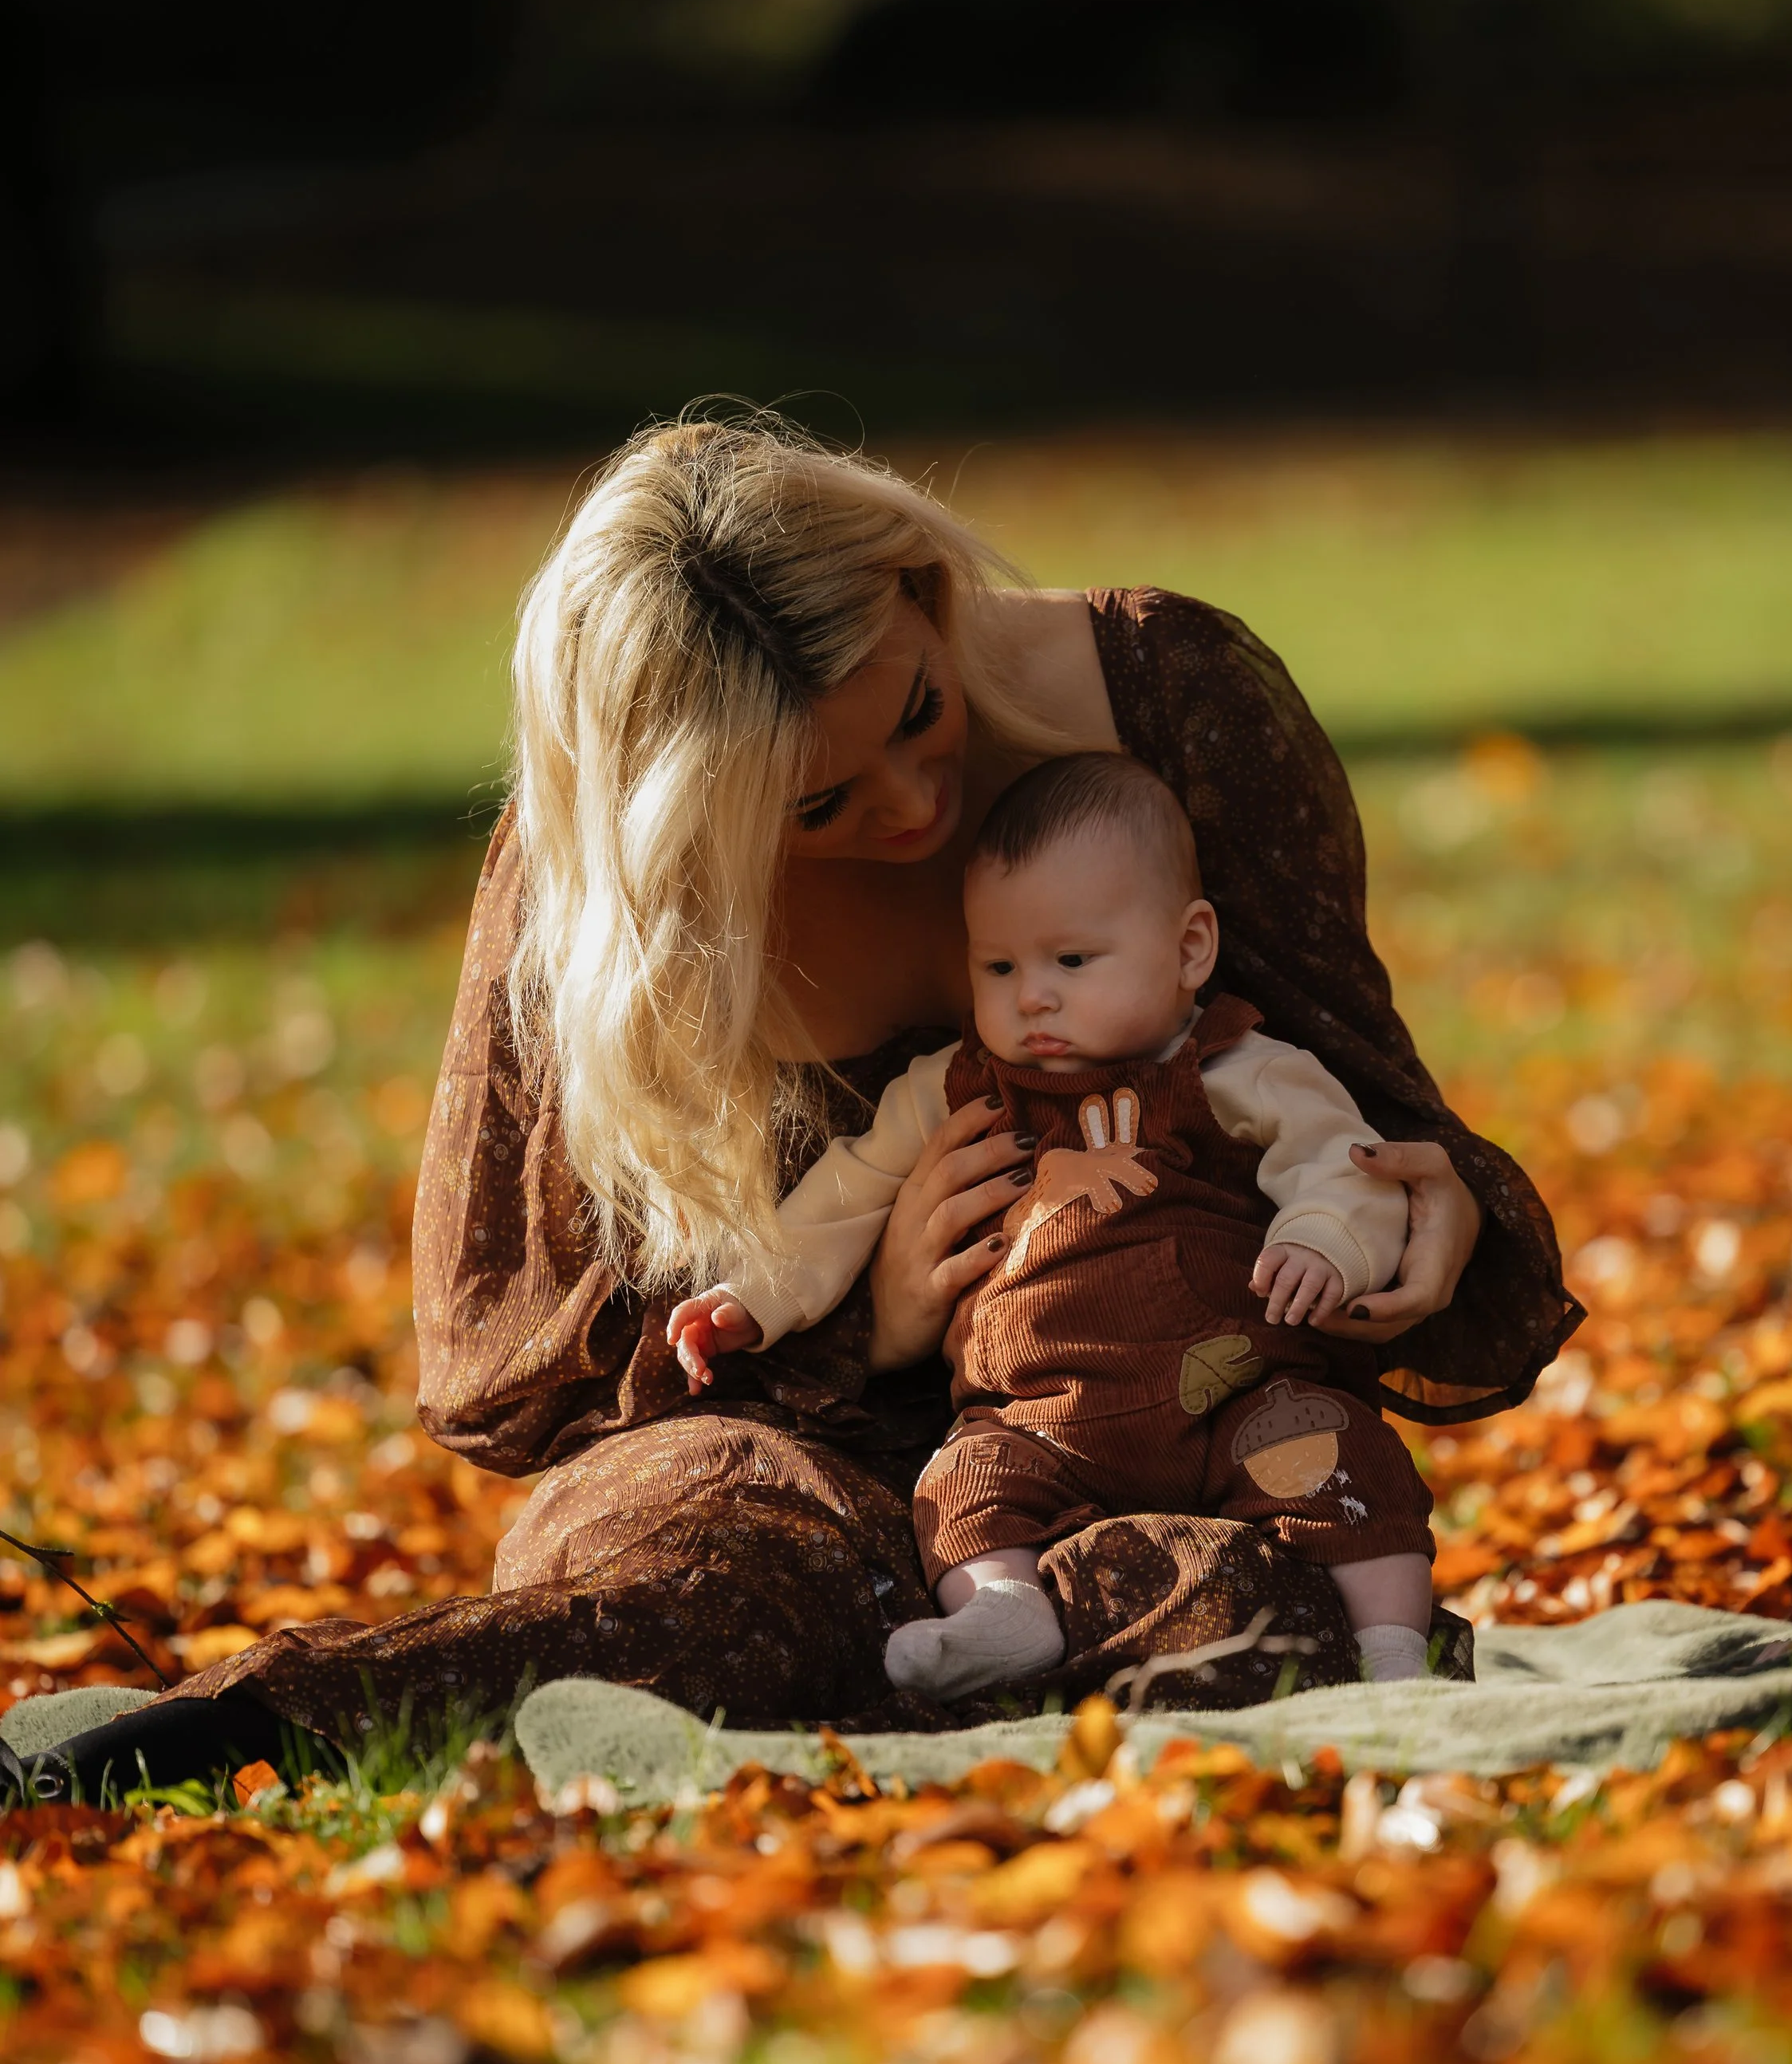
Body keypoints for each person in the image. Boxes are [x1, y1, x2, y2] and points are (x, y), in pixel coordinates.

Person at [17, 413, 1580, 1798]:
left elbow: (1359, 1101)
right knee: (731, 1594)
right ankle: (245, 1734)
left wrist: (1416, 1209)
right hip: (762, 1455)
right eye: (814, 805)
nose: (908, 807)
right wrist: (874, 1319)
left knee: (1267, 1602)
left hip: (1139, 1421)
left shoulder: (1170, 703)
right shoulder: (601, 904)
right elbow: (507, 1369)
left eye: (915, 713)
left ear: (917, 584)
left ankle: (965, 1661)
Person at [669, 752, 1440, 1700]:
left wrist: (1324, 1238)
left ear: (1190, 948)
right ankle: (1004, 1609)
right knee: (960, 1482)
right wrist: (753, 1295)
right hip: (1033, 1414)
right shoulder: (957, 1085)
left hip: (1233, 1394)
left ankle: (1395, 1651)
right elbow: (849, 1191)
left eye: (1070, 960)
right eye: (999, 965)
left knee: (1340, 1457)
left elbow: (1342, 1161)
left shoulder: (1236, 1069)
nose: (1031, 995)